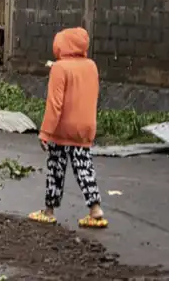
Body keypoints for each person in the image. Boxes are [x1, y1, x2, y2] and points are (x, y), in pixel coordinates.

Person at [29, 27, 108, 228]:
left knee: (56, 168)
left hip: (62, 129)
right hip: (86, 127)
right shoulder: (92, 66)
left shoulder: (60, 68)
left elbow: (55, 104)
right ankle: (95, 209)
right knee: (84, 167)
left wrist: (45, 132)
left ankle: (49, 211)